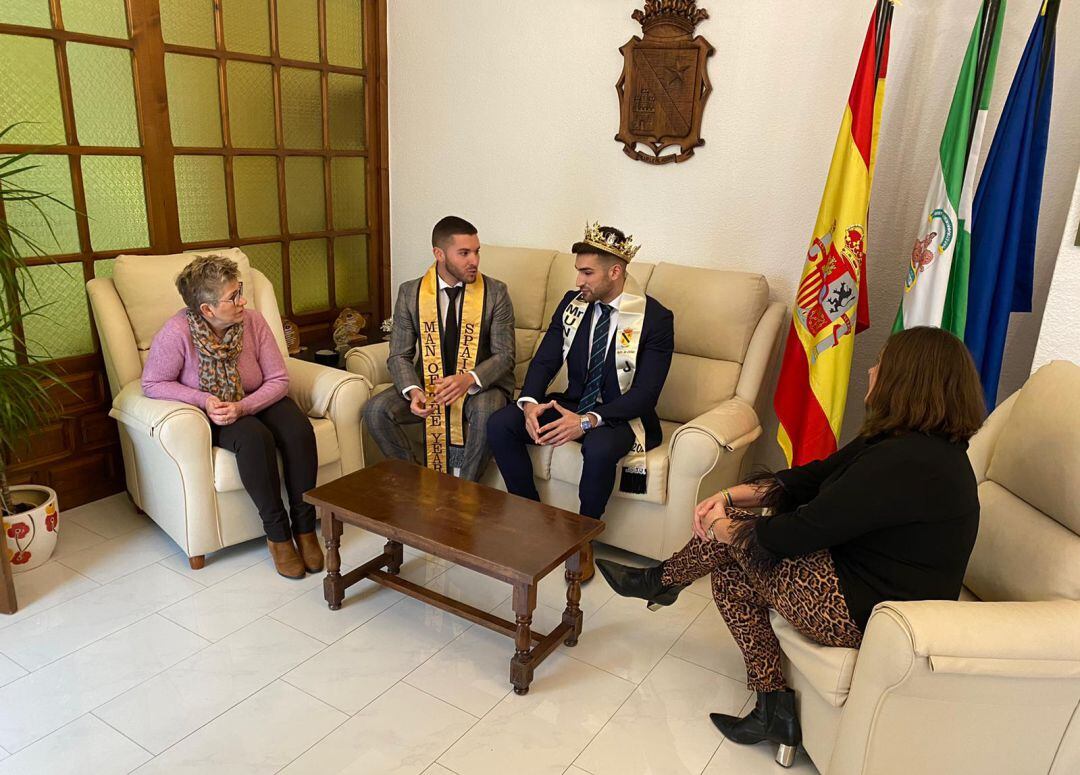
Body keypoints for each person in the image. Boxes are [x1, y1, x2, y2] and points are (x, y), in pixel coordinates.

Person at [597, 326, 984, 766]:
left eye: (883, 364)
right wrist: (730, 495)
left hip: (872, 611)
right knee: (731, 567)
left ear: (908, 380)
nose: (873, 370)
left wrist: (725, 527)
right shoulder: (898, 443)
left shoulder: (912, 464)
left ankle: (661, 581)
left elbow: (802, 530)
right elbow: (813, 477)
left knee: (736, 549)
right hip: (857, 577)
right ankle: (769, 706)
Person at [487, 223, 674, 582]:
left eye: (587, 272)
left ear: (615, 272)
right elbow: (545, 360)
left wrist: (587, 420)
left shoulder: (655, 319)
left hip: (620, 416)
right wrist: (528, 402)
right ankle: (531, 520)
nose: (578, 281)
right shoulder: (573, 305)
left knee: (602, 448)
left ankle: (583, 539)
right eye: (578, 271)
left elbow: (646, 394)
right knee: (501, 423)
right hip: (572, 402)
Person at [142, 254, 322, 580]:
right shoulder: (176, 333)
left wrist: (246, 405)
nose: (243, 300)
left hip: (256, 398)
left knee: (298, 429)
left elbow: (279, 379)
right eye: (234, 296)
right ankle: (278, 535)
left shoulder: (252, 321)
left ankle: (306, 528)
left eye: (240, 291)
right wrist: (203, 399)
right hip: (218, 410)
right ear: (207, 309)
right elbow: (152, 383)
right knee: (255, 438)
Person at [363, 216, 515, 481]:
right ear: (439, 254)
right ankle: (417, 486)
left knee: (486, 411)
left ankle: (464, 495)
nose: (475, 261)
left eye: (477, 252)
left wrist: (469, 379)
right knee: (376, 411)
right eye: (464, 253)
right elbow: (399, 354)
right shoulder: (411, 293)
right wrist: (413, 392)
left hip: (481, 385)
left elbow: (505, 355)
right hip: (429, 382)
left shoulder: (496, 292)